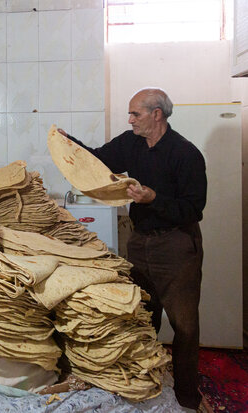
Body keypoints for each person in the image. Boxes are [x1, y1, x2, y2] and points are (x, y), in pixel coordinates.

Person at [58, 88, 207, 411]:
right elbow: (97, 158)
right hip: (140, 242)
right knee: (141, 314)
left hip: (177, 244)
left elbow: (194, 208)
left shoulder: (185, 153)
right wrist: (66, 140)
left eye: (135, 114)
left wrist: (154, 199)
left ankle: (186, 395)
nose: (130, 120)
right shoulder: (131, 143)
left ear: (157, 114)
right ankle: (144, 382)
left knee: (184, 324)